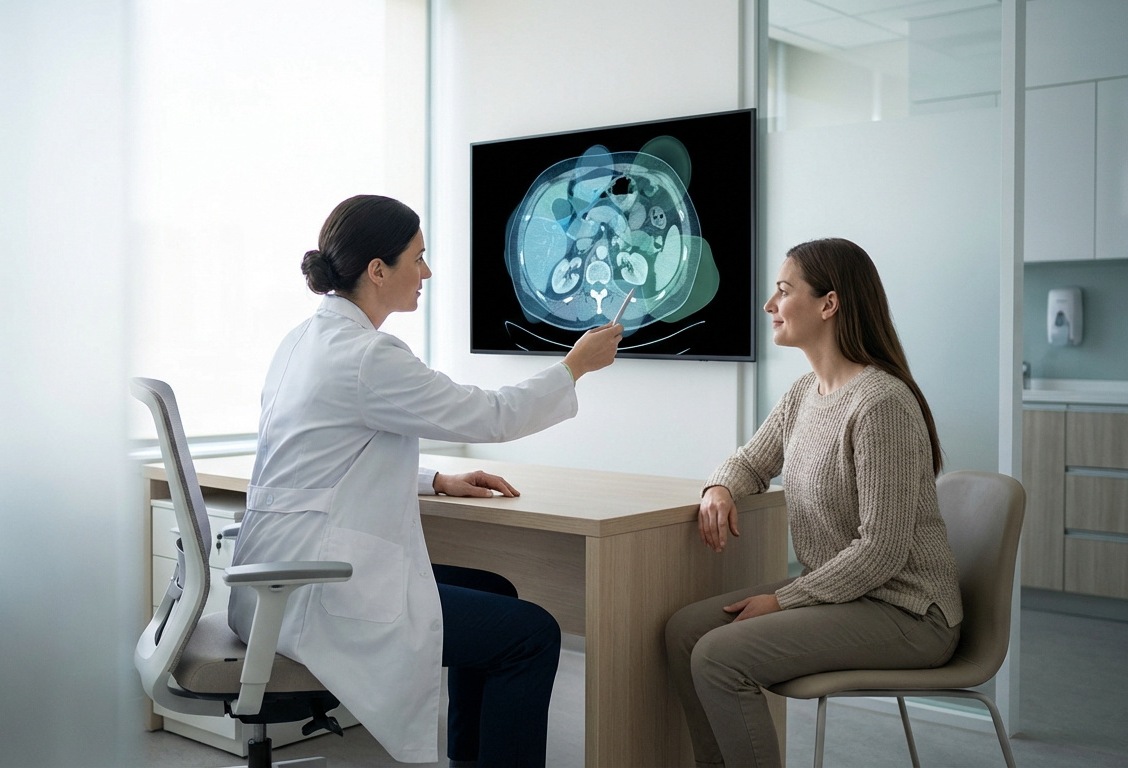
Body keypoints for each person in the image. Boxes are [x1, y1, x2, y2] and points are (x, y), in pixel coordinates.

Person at [227, 194, 623, 767]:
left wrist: (436, 479)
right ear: (378, 270)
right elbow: (489, 413)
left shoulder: (301, 341)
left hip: (277, 580)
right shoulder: (368, 355)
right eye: (418, 258)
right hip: (319, 588)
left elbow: (329, 459)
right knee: (531, 636)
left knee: (495, 591)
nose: (428, 272)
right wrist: (574, 366)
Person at [664, 238, 964, 768]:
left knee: (717, 655)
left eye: (783, 291)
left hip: (909, 612)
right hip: (847, 596)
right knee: (685, 632)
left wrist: (784, 601)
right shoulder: (806, 393)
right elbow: (750, 462)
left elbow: (881, 551)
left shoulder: (881, 403)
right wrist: (718, 488)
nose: (769, 305)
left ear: (829, 304)